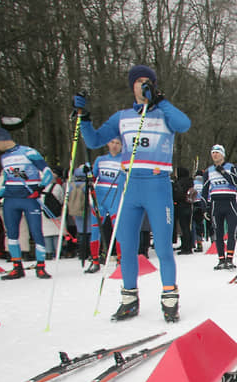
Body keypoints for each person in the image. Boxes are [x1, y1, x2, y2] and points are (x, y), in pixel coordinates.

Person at [74, 65, 190, 322]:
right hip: (129, 186)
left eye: (147, 81)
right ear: (132, 86)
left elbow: (184, 124)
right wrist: (83, 118)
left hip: (157, 185)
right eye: (138, 81)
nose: (142, 85)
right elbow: (94, 141)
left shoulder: (164, 113)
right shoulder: (122, 117)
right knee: (126, 246)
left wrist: (160, 100)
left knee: (162, 247)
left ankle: (169, 299)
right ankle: (129, 299)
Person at [0, 127, 53, 279]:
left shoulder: (29, 152)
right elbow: (8, 180)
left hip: (29, 199)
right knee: (12, 234)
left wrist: (40, 188)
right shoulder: (4, 158)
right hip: (10, 200)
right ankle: (17, 267)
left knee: (36, 232)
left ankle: (40, 267)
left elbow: (48, 173)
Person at [87, 138, 124, 272]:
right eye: (112, 142)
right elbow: (93, 177)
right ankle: (95, 260)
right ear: (108, 144)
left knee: (118, 230)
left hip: (115, 197)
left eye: (118, 143)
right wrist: (87, 174)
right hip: (100, 198)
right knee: (95, 229)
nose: (115, 146)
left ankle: (120, 261)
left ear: (121, 146)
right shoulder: (100, 160)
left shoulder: (124, 160)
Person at [201, 144, 237, 270]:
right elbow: (205, 190)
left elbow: (235, 182)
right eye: (213, 153)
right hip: (216, 203)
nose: (215, 155)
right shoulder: (208, 171)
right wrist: (205, 207)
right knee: (218, 233)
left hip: (229, 202)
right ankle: (221, 260)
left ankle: (229, 259)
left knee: (231, 231)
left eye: (217, 152)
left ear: (222, 154)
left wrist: (222, 171)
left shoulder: (231, 167)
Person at [172, 167, 194, 255]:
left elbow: (177, 194)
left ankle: (186, 247)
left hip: (181, 206)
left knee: (183, 227)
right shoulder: (190, 182)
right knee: (187, 227)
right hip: (189, 205)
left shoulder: (179, 182)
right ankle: (188, 245)